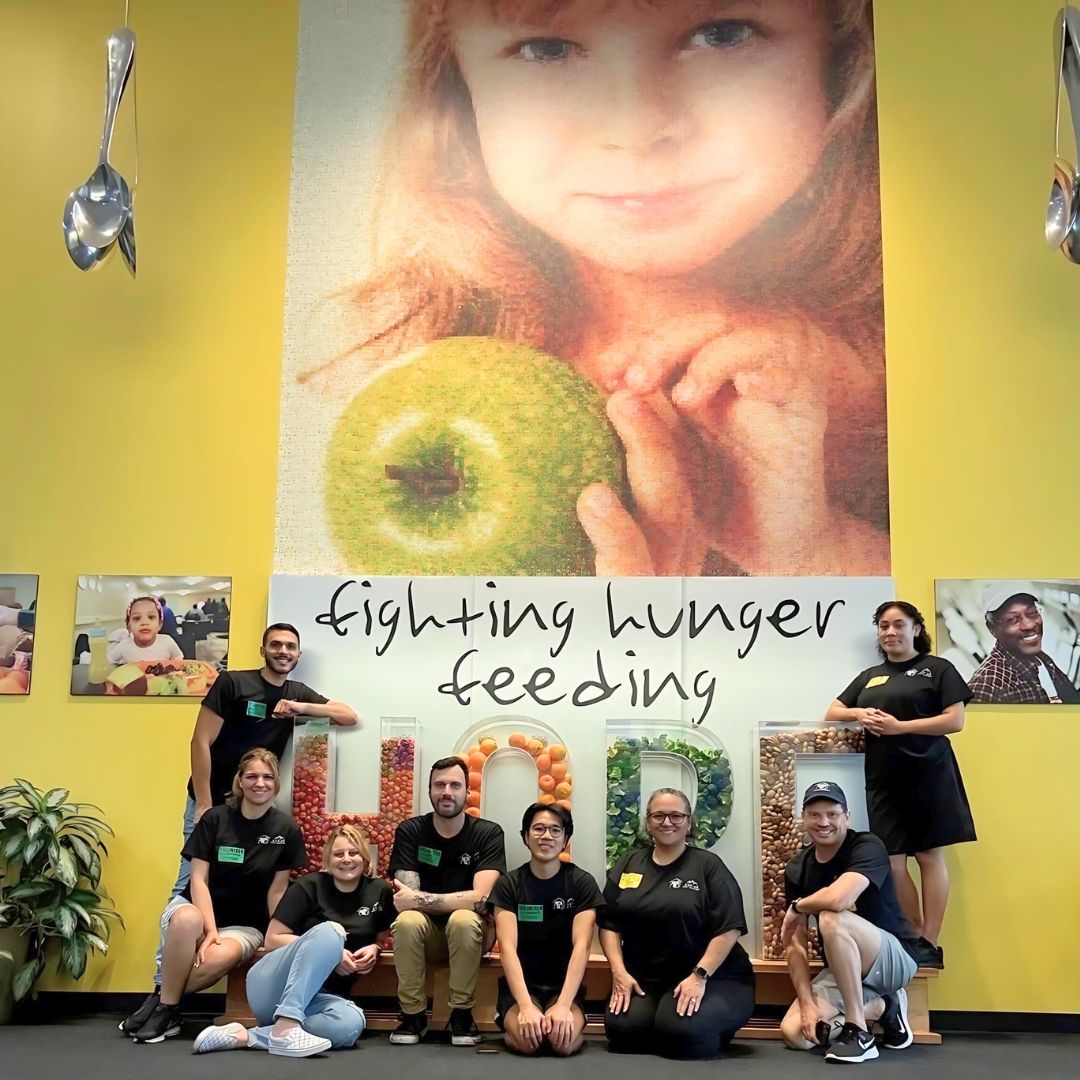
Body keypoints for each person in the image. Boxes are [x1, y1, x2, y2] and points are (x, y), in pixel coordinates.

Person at [303, 0, 887, 577]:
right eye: (546, 48)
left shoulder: (928, 353)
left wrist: (819, 554)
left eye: (723, 34)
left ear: (840, 54)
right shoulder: (419, 370)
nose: (633, 129)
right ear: (456, 84)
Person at [119, 749, 307, 1044]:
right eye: (252, 776)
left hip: (245, 923)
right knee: (185, 920)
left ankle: (162, 1001)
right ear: (240, 782)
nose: (260, 783)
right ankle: (168, 1009)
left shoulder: (287, 829)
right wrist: (209, 929)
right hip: (197, 907)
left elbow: (278, 889)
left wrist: (277, 935)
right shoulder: (215, 819)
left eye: (268, 777)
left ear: (276, 783)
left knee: (221, 955)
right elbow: (198, 880)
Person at [826, 600, 976, 967]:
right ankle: (912, 935)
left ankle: (930, 942)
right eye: (883, 626)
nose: (890, 632)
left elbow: (954, 721)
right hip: (883, 777)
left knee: (927, 855)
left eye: (898, 625)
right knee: (892, 862)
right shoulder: (870, 676)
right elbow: (832, 711)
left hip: (930, 772)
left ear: (916, 629)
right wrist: (858, 712)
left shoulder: (937, 669)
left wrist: (899, 727)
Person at [192, 823, 393, 1058]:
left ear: (364, 857)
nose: (346, 859)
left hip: (320, 999)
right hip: (273, 986)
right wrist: (332, 952)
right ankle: (287, 1023)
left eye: (353, 852)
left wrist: (375, 948)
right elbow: (273, 939)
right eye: (339, 854)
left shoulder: (379, 890)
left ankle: (249, 1036)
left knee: (351, 1024)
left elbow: (382, 937)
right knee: (332, 932)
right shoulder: (309, 885)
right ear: (328, 859)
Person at [600, 788, 754, 1060]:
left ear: (689, 822)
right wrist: (619, 972)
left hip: (712, 975)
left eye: (676, 816)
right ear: (648, 822)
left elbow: (729, 927)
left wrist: (699, 976)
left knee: (686, 1036)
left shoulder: (708, 866)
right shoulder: (629, 862)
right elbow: (609, 922)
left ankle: (698, 1023)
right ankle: (662, 1017)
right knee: (623, 1031)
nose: (667, 822)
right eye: (658, 815)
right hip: (648, 977)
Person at [779, 781, 919, 1064]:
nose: (824, 822)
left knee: (832, 918)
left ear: (846, 816)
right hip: (845, 971)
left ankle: (858, 1032)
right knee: (795, 1033)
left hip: (891, 959)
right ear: (804, 818)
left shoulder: (867, 846)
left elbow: (839, 899)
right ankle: (883, 1007)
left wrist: (799, 906)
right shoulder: (797, 868)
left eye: (832, 814)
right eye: (815, 814)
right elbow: (795, 945)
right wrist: (806, 1004)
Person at [387, 755, 506, 1046]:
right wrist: (457, 900)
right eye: (439, 785)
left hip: (472, 934)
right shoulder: (411, 831)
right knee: (407, 921)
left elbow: (480, 898)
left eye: (455, 785)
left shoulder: (487, 833)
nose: (447, 792)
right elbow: (405, 899)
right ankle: (412, 1014)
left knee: (464, 919)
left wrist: (425, 900)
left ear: (468, 791)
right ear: (429, 791)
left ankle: (462, 1014)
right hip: (425, 934)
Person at [489, 803, 603, 1056]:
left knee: (562, 1044)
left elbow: (582, 946)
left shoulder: (581, 883)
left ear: (566, 839)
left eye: (555, 830)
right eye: (538, 829)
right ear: (525, 836)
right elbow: (507, 948)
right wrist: (526, 1006)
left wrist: (563, 1005)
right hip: (522, 987)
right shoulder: (509, 884)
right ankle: (511, 1025)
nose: (546, 836)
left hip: (564, 987)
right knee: (529, 1043)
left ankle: (567, 1019)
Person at [967, 582, 1080, 704]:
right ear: (992, 629)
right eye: (1012, 620)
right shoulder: (987, 688)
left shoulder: (1041, 659)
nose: (1029, 625)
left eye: (1032, 613)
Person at [105, 596, 185, 664]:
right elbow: (110, 661)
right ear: (129, 627)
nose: (144, 622)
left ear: (159, 625)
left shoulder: (167, 641)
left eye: (151, 617)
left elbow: (179, 659)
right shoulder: (123, 646)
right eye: (137, 618)